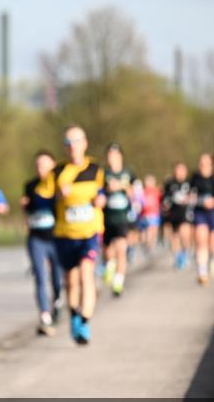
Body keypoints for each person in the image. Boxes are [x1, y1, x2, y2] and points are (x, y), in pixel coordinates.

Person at [51, 126, 105, 345]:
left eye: (76, 141)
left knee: (86, 275)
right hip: (65, 234)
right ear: (65, 148)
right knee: (71, 283)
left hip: (89, 232)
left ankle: (85, 321)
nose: (72, 146)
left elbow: (102, 193)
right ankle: (74, 315)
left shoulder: (95, 169)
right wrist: (58, 195)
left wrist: (100, 200)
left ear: (85, 144)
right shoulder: (57, 172)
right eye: (68, 142)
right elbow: (47, 201)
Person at [21, 150, 63, 336]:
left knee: (56, 277)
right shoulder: (30, 185)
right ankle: (45, 316)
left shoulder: (59, 185)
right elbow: (29, 210)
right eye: (38, 165)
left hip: (56, 237)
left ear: (53, 166)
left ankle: (57, 300)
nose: (41, 168)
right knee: (39, 275)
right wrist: (25, 207)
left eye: (45, 165)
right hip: (36, 237)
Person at [101, 143, 135, 297]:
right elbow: (97, 193)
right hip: (106, 218)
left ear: (120, 156)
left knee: (121, 249)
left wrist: (122, 187)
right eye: (109, 155)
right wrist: (108, 189)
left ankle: (118, 282)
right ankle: (109, 265)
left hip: (123, 218)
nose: (111, 158)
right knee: (108, 251)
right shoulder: (102, 174)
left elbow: (135, 194)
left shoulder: (128, 174)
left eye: (114, 155)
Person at [189, 153, 214, 285]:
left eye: (205, 162)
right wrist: (193, 199)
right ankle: (202, 272)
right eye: (201, 162)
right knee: (200, 241)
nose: (202, 165)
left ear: (210, 164)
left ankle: (213, 258)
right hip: (199, 213)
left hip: (212, 213)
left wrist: (213, 202)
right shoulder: (195, 178)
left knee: (212, 243)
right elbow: (190, 193)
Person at [162, 162, 193, 271]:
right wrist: (166, 205)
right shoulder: (170, 183)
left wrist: (189, 198)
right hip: (173, 213)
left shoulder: (190, 183)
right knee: (174, 236)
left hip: (185, 213)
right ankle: (178, 258)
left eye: (182, 170)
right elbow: (164, 198)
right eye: (178, 170)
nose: (180, 172)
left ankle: (187, 253)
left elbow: (194, 196)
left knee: (185, 233)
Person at [139, 174, 162, 252]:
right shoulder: (142, 191)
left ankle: (151, 244)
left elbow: (161, 201)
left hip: (154, 214)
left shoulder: (157, 191)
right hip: (144, 214)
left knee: (153, 230)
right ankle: (146, 244)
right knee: (145, 231)